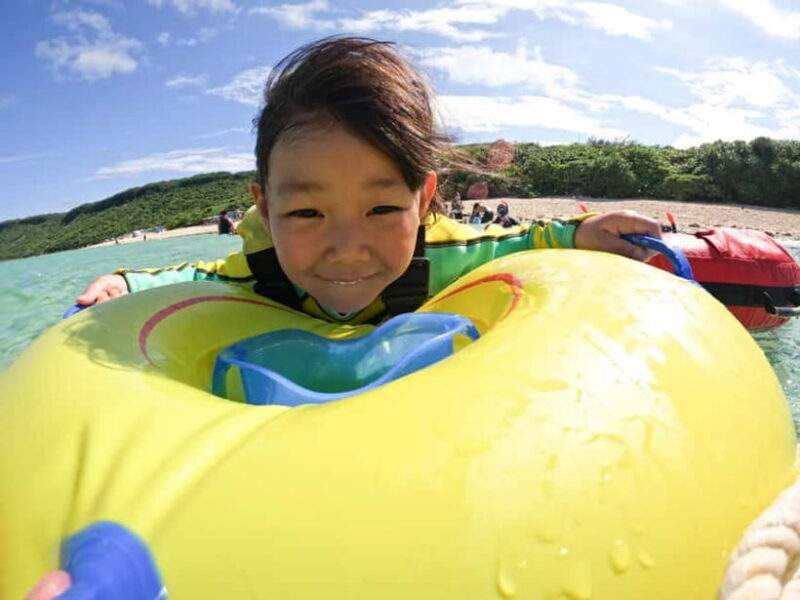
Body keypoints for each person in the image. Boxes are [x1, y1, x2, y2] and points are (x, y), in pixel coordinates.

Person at [35, 35, 660, 596]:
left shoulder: (445, 256)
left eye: (382, 209)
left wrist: (583, 232)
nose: (346, 248)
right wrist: (122, 280)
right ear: (265, 204)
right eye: (307, 214)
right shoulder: (261, 272)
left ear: (424, 198)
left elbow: (526, 243)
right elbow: (192, 278)